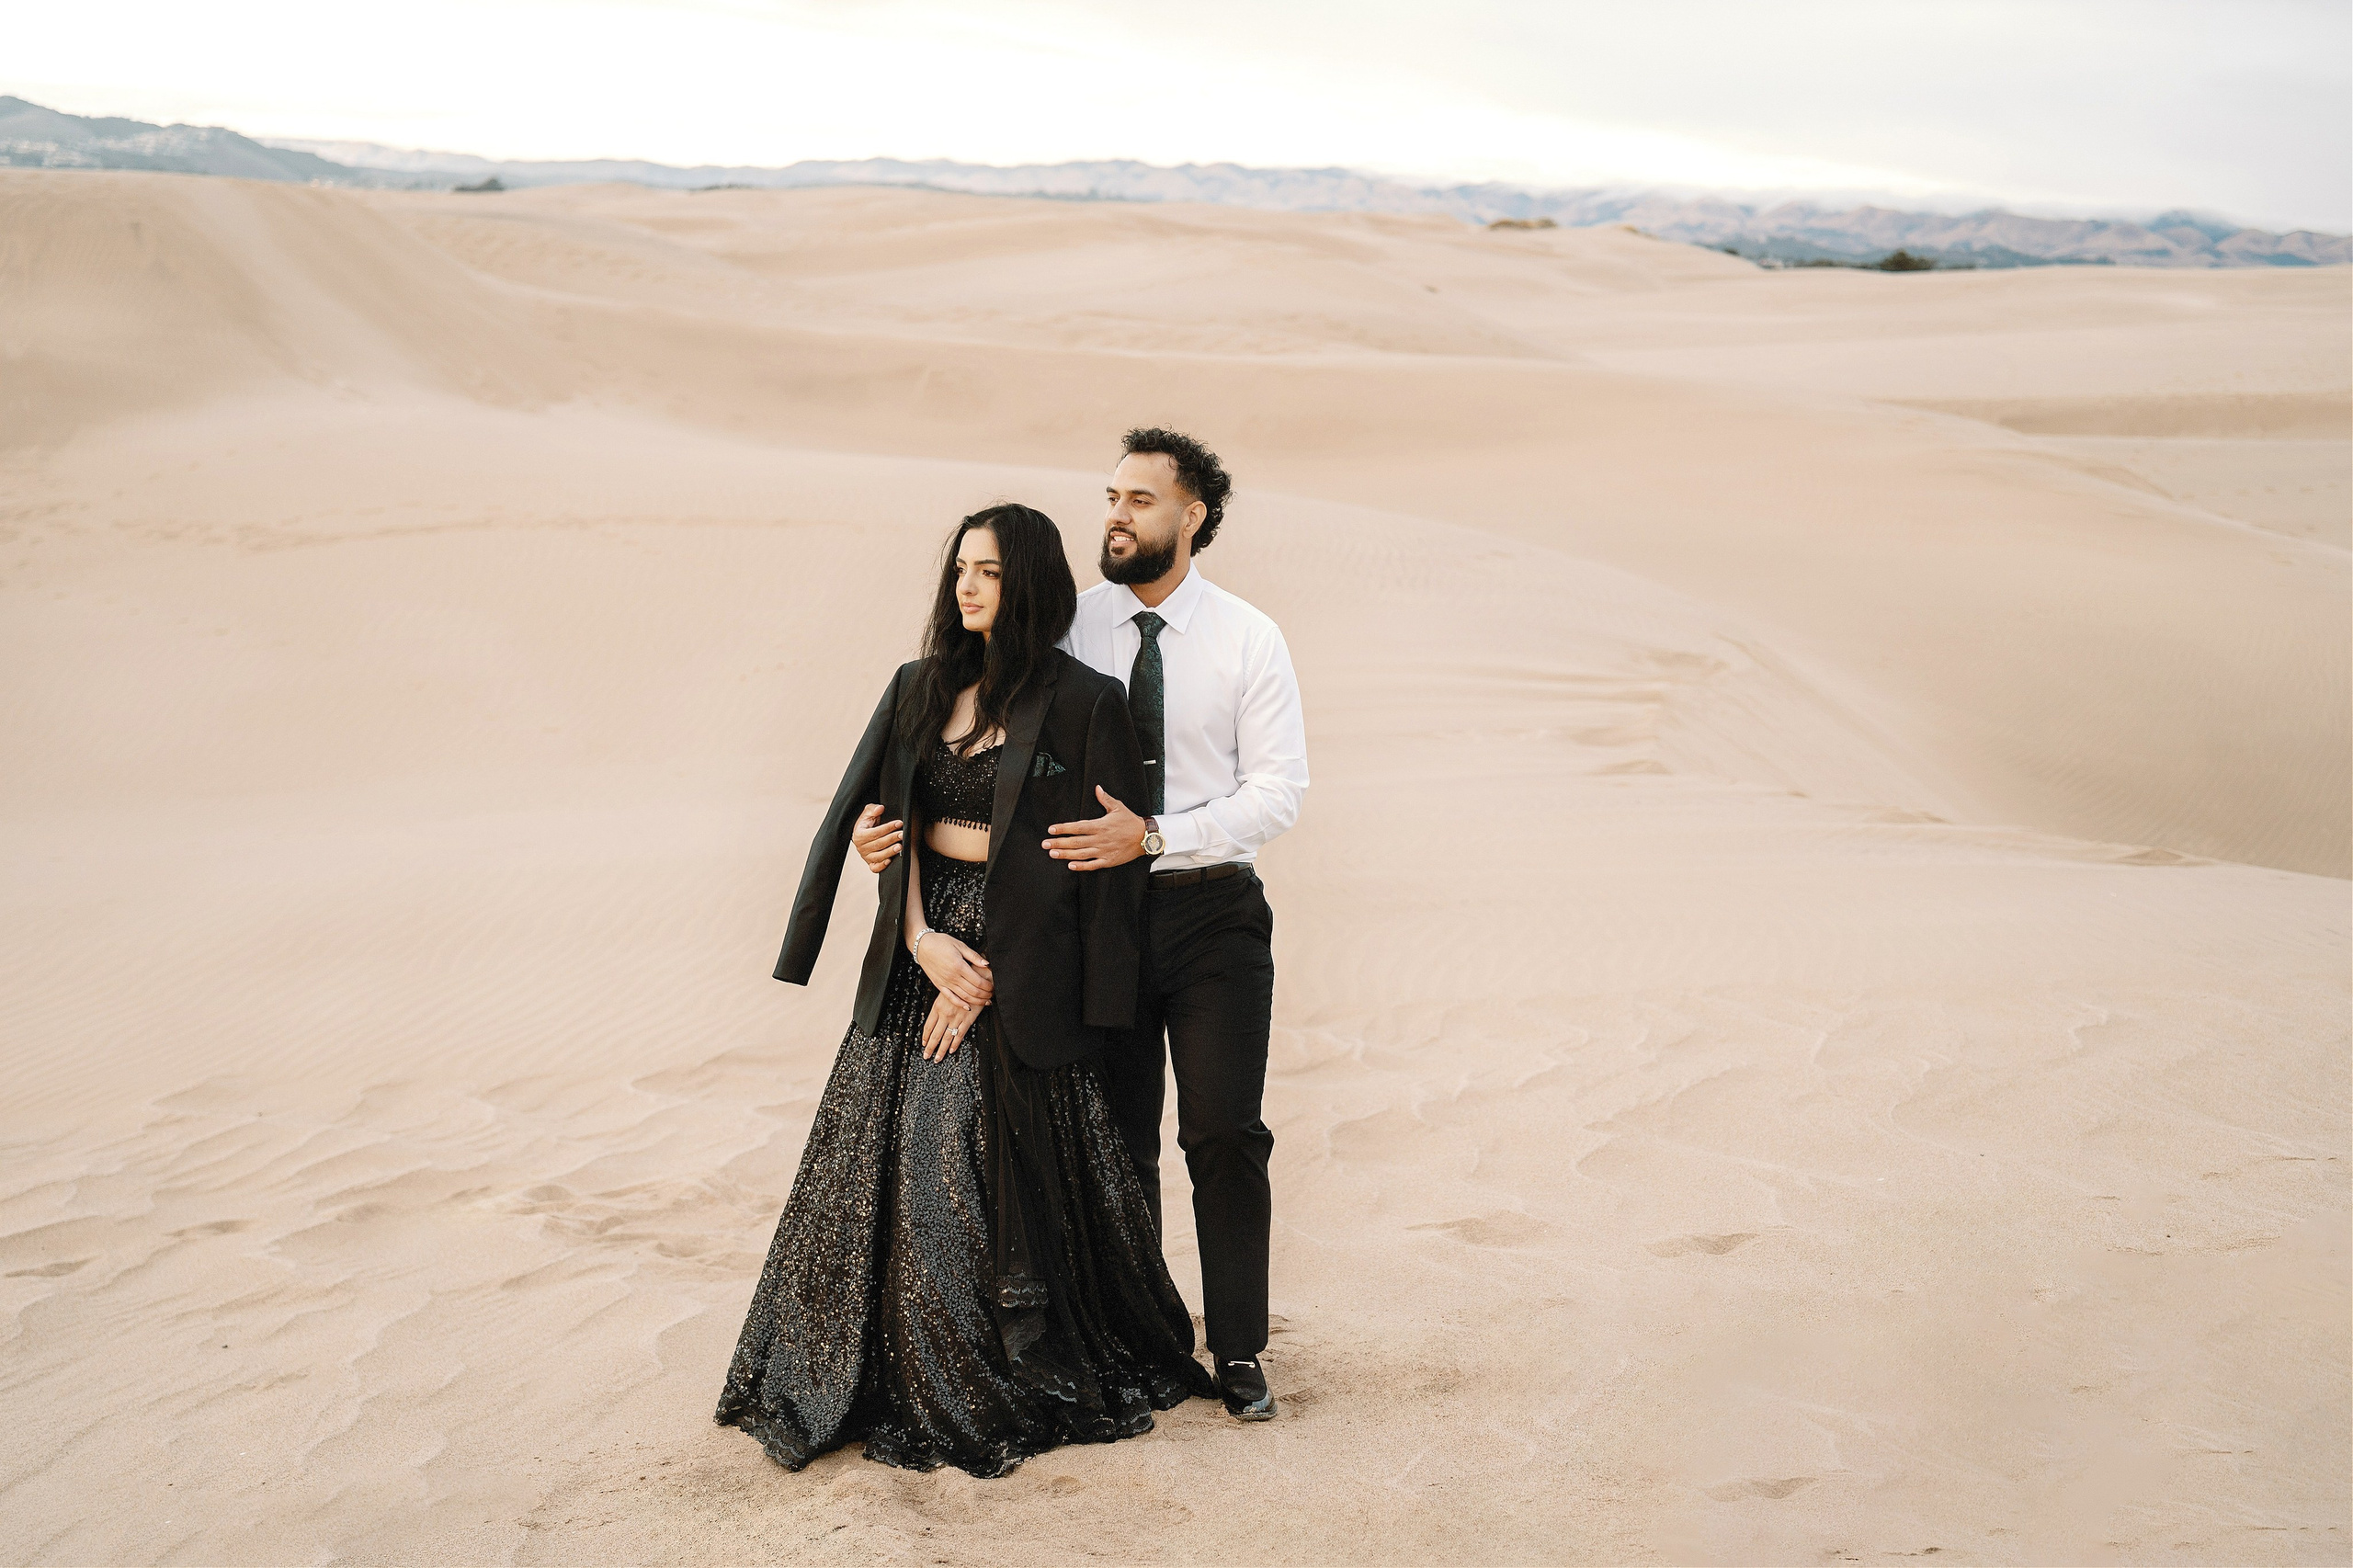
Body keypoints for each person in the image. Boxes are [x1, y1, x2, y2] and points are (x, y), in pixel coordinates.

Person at [716, 503, 1212, 1481]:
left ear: (1026, 582)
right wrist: (920, 939)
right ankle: (869, 1371)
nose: (968, 586)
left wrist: (982, 976)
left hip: (1020, 968)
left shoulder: (1085, 700)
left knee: (959, 1176)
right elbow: (880, 819)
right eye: (959, 570)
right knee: (884, 1172)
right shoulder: (916, 687)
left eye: (987, 570)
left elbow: (1095, 878)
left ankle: (977, 1367)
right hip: (918, 945)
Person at [853, 430, 1308, 1423]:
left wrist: (1154, 835)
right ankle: (1137, 1327)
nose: (1116, 513)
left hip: (1209, 915)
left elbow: (1277, 793)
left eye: (1141, 500)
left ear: (1191, 517)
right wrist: (885, 815)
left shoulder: (1247, 638)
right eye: (1111, 495)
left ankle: (1236, 1346)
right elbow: (967, 734)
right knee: (1113, 1135)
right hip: (1085, 922)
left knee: (1223, 1130)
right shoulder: (1067, 629)